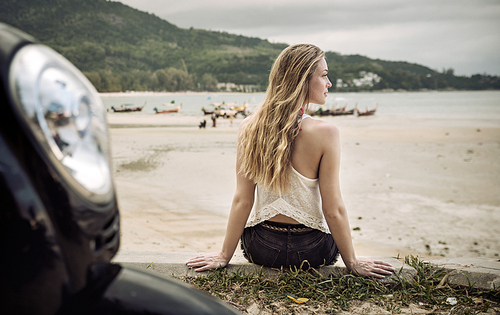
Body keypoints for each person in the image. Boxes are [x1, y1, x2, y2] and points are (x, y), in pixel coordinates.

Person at [186, 44, 394, 278]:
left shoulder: (250, 128)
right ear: (303, 79)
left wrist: (224, 255)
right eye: (324, 76)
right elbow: (333, 209)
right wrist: (352, 262)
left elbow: (242, 200)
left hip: (262, 248)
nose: (329, 83)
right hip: (313, 251)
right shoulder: (327, 132)